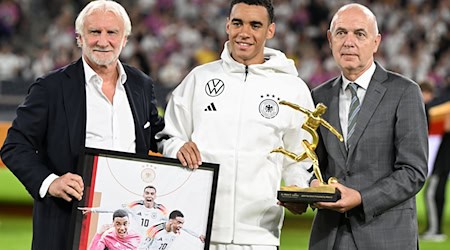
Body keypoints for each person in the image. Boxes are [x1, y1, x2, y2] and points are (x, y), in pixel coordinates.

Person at [0, 1, 164, 249]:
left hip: (125, 228)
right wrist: (50, 181)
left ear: (125, 39)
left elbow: (157, 136)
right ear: (79, 38)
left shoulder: (141, 85)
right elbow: (14, 146)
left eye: (112, 32)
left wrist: (180, 145)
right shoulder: (50, 88)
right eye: (94, 32)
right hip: (66, 226)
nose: (103, 40)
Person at [157, 0, 315, 248]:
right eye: (238, 23)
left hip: (259, 235)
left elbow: (300, 157)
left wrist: (298, 189)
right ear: (227, 26)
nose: (245, 32)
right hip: (196, 229)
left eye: (255, 25)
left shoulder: (292, 89)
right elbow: (167, 137)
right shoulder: (199, 79)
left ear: (270, 31)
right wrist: (178, 147)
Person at [308, 3, 428, 250]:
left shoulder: (405, 92)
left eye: (359, 34)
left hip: (387, 237)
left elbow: (413, 171)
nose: (349, 42)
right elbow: (313, 165)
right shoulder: (318, 97)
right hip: (329, 237)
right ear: (330, 39)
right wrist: (309, 187)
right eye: (341, 33)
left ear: (376, 42)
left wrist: (362, 198)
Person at [80, 185, 168, 240]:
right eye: (147, 193)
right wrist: (92, 209)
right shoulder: (135, 205)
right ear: (143, 195)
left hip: (149, 242)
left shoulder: (161, 210)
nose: (149, 196)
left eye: (152, 194)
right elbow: (114, 208)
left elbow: (176, 220)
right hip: (134, 242)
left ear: (155, 196)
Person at [421, 77, 450, 242]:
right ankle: (434, 228)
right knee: (434, 193)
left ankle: (435, 229)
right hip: (441, 161)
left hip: (441, 161)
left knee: (432, 194)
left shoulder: (437, 109)